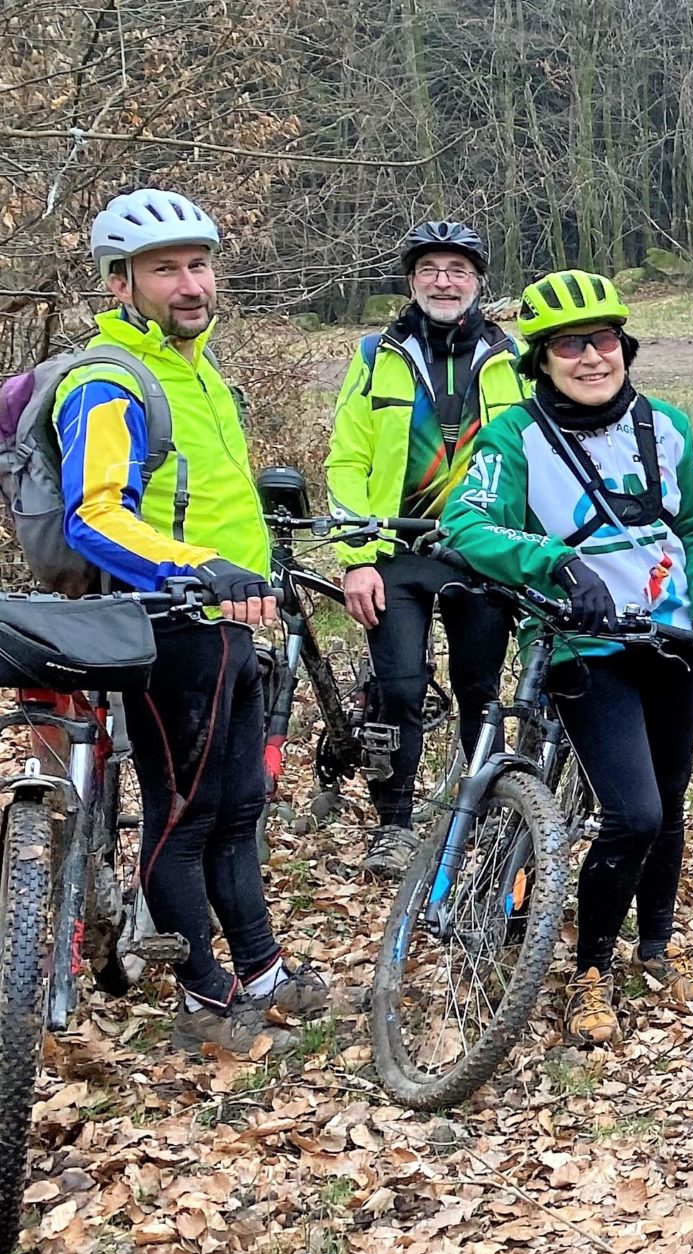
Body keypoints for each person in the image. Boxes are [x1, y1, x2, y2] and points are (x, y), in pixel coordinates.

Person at [56, 189, 334, 1054]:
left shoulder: (201, 371)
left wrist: (255, 579)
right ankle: (206, 1000)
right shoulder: (110, 379)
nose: (190, 284)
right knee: (184, 816)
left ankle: (261, 970)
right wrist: (195, 569)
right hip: (166, 624)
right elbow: (94, 511)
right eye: (165, 269)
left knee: (239, 804)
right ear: (120, 284)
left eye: (199, 264)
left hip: (225, 622)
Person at [442, 270, 693, 1047]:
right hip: (582, 644)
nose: (591, 358)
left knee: (669, 804)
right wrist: (554, 564)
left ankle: (656, 947)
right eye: (569, 346)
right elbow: (465, 526)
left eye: (603, 341)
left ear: (624, 347)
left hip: (670, 642)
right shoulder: (515, 438)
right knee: (633, 811)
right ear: (540, 360)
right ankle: (589, 972)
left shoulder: (666, 425)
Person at [324, 220, 526, 878]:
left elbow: (536, 456)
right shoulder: (373, 354)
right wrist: (355, 553)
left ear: (478, 281)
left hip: (479, 550)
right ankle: (394, 823)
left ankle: (483, 813)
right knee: (399, 688)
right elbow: (348, 457)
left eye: (458, 270)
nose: (445, 281)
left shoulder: (512, 358)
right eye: (431, 270)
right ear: (411, 281)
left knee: (479, 691)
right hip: (397, 549)